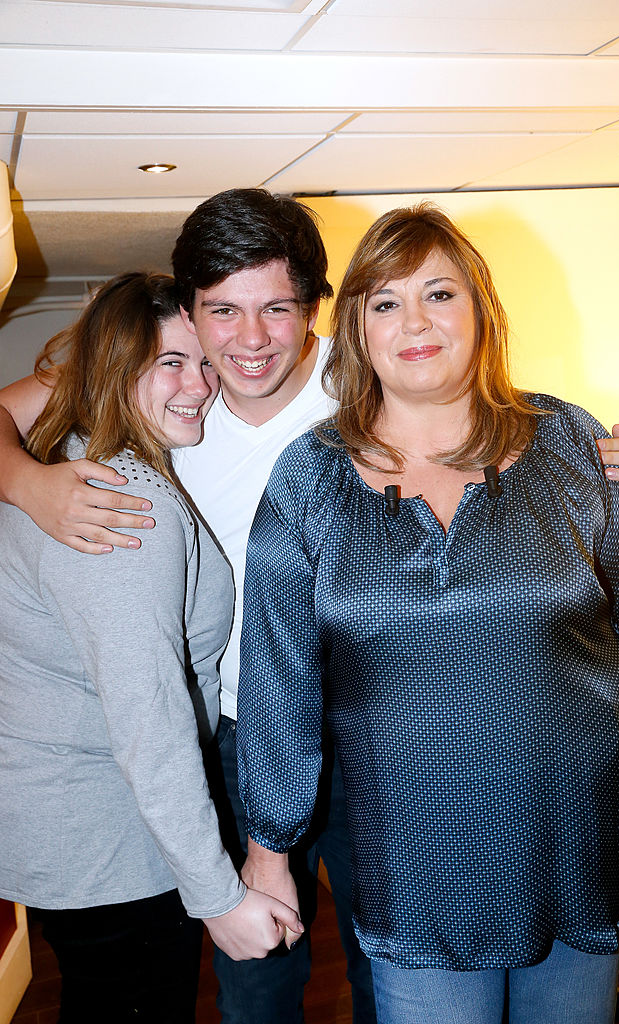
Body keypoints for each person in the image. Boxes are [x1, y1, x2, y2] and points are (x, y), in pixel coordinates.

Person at [0, 190, 619, 1023]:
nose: (249, 341)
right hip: (237, 735)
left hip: (379, 751)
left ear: (321, 313)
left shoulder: (374, 379)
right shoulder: (164, 387)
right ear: (189, 311)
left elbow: (616, 582)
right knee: (258, 986)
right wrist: (25, 479)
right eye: (222, 312)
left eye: (277, 309)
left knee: (378, 969)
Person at [235, 204, 619, 1024]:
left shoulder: (574, 448)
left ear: (480, 310)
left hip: (573, 848)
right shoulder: (307, 484)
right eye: (384, 301)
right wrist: (268, 855)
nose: (414, 322)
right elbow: (277, 683)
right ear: (357, 329)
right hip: (414, 872)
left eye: (438, 293)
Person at [0, 272, 301, 1024]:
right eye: (171, 362)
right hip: (111, 841)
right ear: (112, 368)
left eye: (203, 361)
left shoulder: (70, 458)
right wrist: (217, 896)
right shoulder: (119, 503)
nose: (199, 384)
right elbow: (149, 717)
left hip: (77, 829)